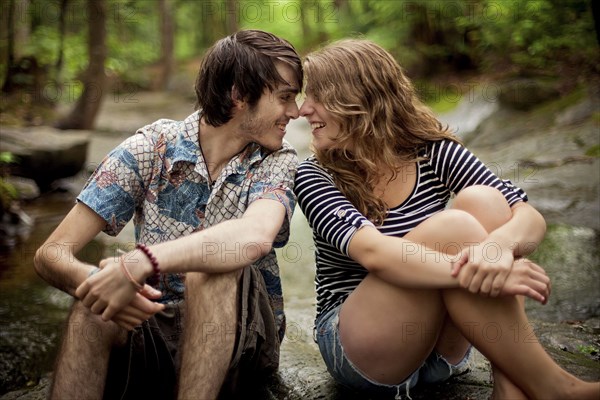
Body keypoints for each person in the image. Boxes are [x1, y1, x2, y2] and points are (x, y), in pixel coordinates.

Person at [294, 39, 600, 399]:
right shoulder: (314, 175)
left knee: (484, 200)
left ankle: (510, 385)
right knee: (453, 228)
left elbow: (527, 217)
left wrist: (497, 251)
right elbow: (375, 253)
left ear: (358, 98)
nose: (302, 110)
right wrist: (483, 270)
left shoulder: (432, 151)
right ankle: (554, 388)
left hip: (442, 353)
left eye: (316, 96)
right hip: (363, 352)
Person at [34, 29, 302, 399]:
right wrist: (100, 282)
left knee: (212, 267)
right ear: (239, 95)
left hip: (242, 340)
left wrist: (140, 262)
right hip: (152, 328)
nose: (296, 111)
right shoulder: (151, 147)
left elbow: (253, 237)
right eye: (285, 97)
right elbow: (50, 253)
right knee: (94, 301)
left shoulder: (278, 159)